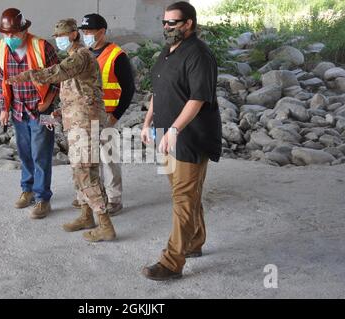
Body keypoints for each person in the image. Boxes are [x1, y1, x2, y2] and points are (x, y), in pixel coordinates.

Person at [7, 19, 117, 242]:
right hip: (76, 122)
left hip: (85, 124)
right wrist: (57, 114)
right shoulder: (74, 58)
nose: (58, 39)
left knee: (86, 172)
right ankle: (87, 216)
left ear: (74, 34)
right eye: (56, 36)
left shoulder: (81, 56)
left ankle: (105, 225)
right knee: (79, 172)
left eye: (63, 35)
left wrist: (29, 75)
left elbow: (58, 73)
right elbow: (74, 95)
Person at [140, 2, 222, 281]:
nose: (167, 28)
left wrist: (174, 129)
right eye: (164, 23)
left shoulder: (199, 55)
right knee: (184, 194)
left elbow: (197, 99)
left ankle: (172, 262)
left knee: (183, 198)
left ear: (188, 23)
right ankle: (194, 241)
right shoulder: (167, 52)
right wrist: (148, 121)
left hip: (191, 137)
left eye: (172, 23)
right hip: (167, 134)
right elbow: (159, 90)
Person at [67, 13, 135, 216]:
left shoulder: (117, 55)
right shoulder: (82, 54)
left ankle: (114, 199)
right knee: (84, 159)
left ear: (102, 32)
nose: (85, 34)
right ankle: (86, 196)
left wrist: (115, 116)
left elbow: (129, 89)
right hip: (84, 116)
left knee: (109, 159)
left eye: (88, 31)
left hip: (108, 116)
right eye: (83, 31)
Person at [0, 8, 59, 219]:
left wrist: (48, 102)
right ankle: (28, 190)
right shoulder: (2, 48)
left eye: (14, 34)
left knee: (41, 154)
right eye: (6, 34)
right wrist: (4, 107)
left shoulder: (42, 47)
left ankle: (42, 199)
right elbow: (0, 79)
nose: (9, 38)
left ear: (24, 30)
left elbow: (59, 78)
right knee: (25, 153)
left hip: (43, 110)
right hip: (18, 111)